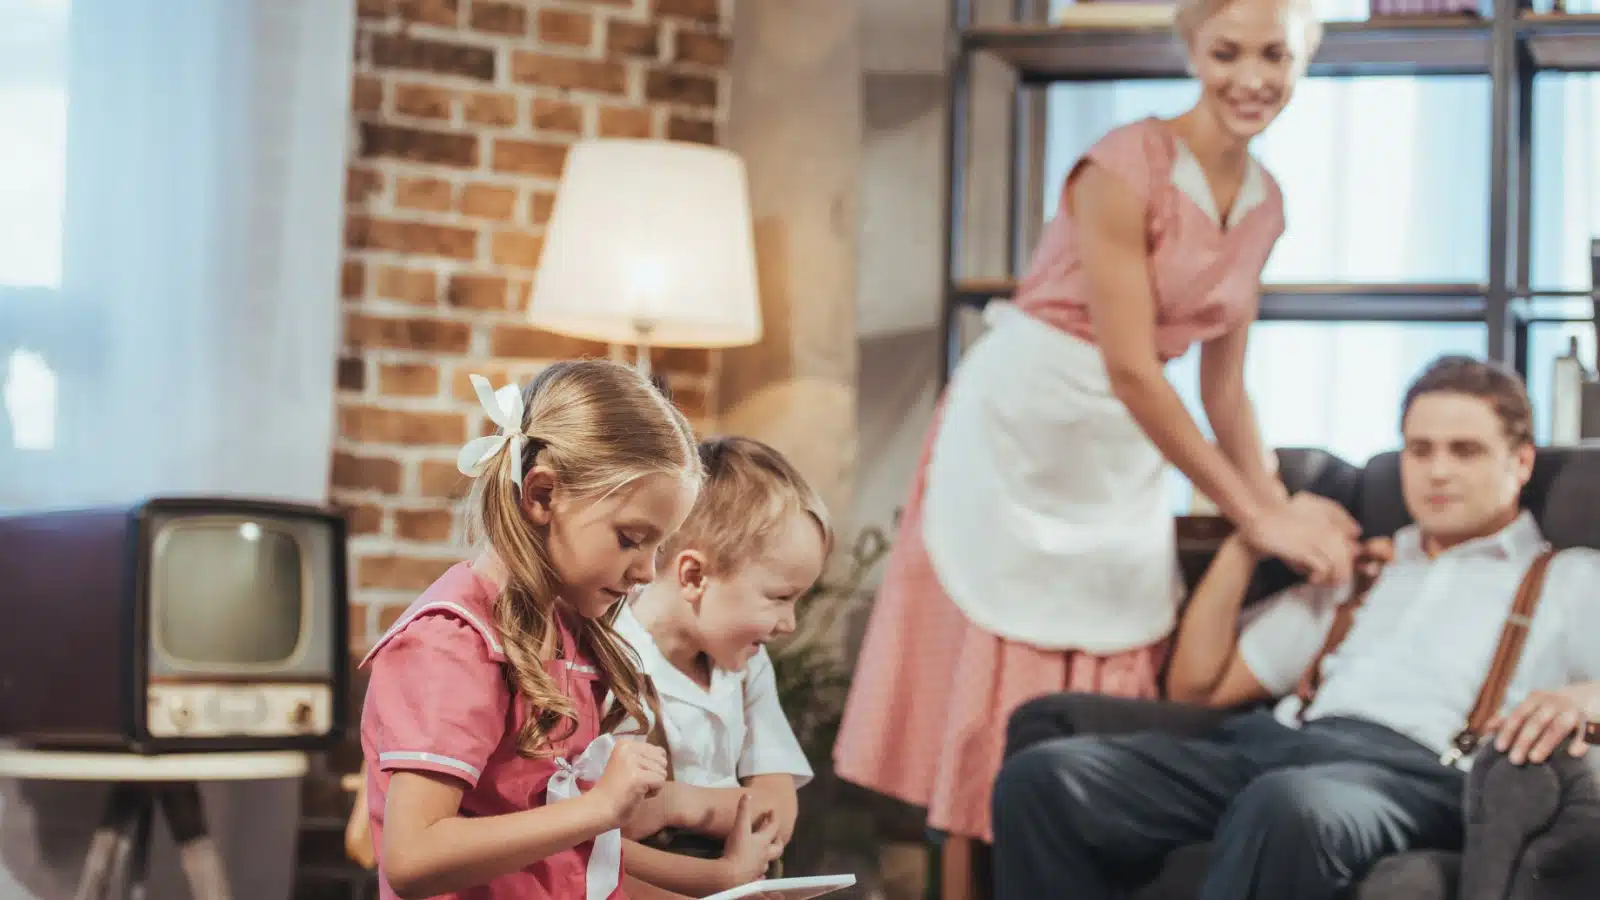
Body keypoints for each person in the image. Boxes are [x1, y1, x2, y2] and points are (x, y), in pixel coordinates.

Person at [832, 0, 1357, 883]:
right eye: (1227, 52)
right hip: (1026, 432)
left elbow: (1224, 389)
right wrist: (1257, 519)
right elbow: (1134, 368)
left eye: (1276, 55)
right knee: (988, 705)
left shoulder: (1267, 203)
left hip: (1119, 454)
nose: (1252, 78)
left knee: (1096, 688)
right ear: (1192, 49)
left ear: (1306, 59)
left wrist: (1278, 510)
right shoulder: (1121, 165)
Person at [991, 356, 1600, 900]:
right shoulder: (1358, 570)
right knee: (1045, 779)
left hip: (1417, 775)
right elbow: (1197, 689)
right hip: (1277, 747)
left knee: (1288, 806)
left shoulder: (1568, 579)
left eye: (1464, 451)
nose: (1437, 472)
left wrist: (1583, 696)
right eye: (1420, 450)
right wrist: (1247, 545)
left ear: (1520, 462)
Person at [358, 359, 703, 900]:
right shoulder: (454, 643)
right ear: (542, 497)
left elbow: (566, 869)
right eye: (632, 539)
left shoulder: (564, 632)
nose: (646, 572)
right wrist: (597, 808)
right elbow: (412, 856)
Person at [609, 437, 830, 898]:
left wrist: (677, 803)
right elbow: (598, 847)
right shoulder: (612, 662)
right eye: (779, 597)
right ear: (693, 576)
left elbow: (777, 814)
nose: (789, 624)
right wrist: (727, 848)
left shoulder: (747, 667)